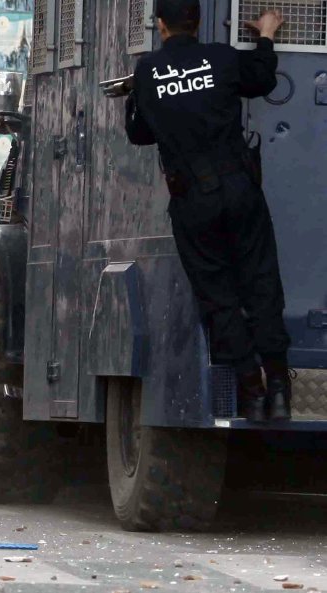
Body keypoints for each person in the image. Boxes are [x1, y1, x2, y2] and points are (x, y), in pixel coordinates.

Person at [124, 2, 288, 422]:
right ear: (196, 22)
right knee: (261, 282)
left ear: (159, 24)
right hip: (241, 189)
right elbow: (263, 77)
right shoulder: (221, 57)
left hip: (193, 201)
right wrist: (266, 34)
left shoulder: (148, 72)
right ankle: (281, 388)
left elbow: (139, 134)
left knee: (219, 297)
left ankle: (252, 389)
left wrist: (136, 95)